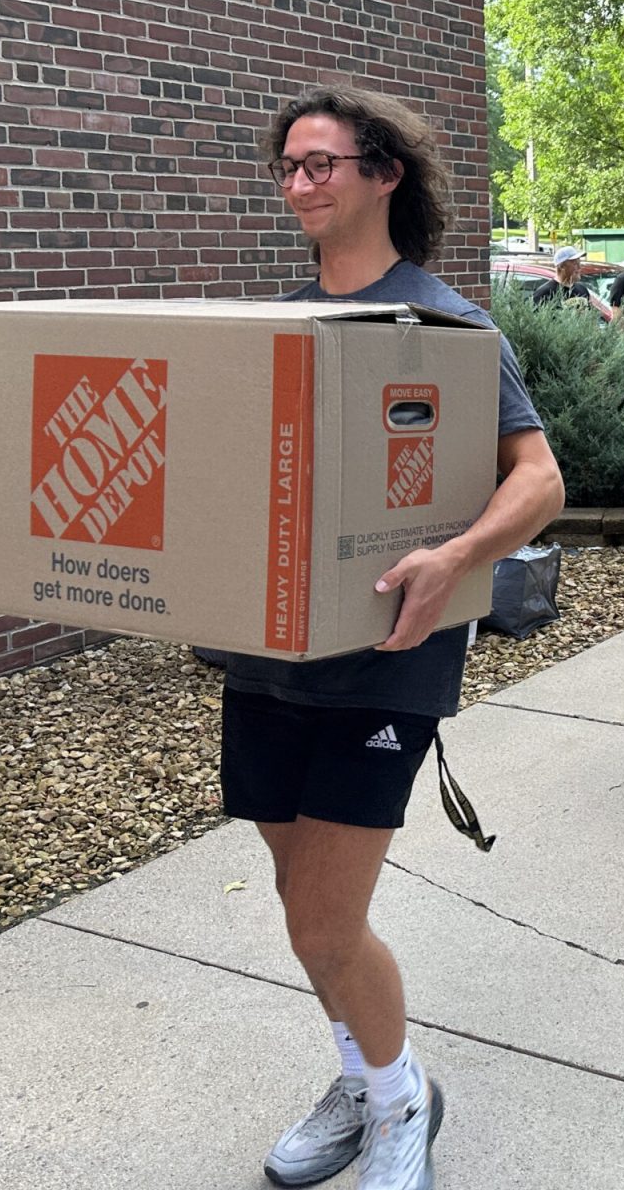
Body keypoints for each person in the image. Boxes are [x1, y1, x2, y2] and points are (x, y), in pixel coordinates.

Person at [238, 84, 564, 1190]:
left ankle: (398, 1110)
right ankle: (370, 1074)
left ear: (384, 175)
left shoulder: (446, 327)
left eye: (319, 164)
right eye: (286, 166)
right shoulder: (275, 324)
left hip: (389, 660)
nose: (297, 184)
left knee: (327, 921)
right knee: (300, 912)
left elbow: (540, 479)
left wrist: (454, 557)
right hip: (267, 660)